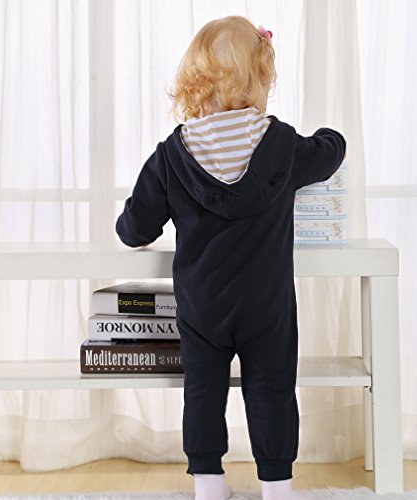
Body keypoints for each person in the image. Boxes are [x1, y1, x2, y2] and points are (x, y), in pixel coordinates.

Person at [116, 15, 346, 500]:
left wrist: (129, 225)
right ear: (260, 77)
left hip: (202, 305)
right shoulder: (281, 144)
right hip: (267, 305)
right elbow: (327, 153)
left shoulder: (171, 155)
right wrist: (332, 135)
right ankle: (277, 487)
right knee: (272, 389)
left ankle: (208, 484)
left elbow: (135, 229)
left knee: (203, 390)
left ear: (195, 80)